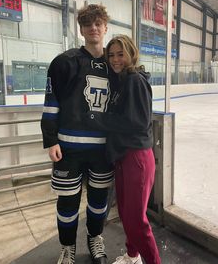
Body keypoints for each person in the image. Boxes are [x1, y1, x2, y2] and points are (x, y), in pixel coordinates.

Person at [41, 4, 114, 264]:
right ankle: (67, 247)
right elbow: (52, 103)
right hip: (69, 149)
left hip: (103, 150)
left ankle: (95, 238)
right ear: (81, 29)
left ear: (105, 27)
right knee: (68, 203)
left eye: (97, 23)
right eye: (87, 24)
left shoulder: (115, 64)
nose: (93, 28)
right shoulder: (65, 62)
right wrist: (50, 140)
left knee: (98, 202)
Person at [84, 35, 161, 264]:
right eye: (111, 55)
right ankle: (132, 255)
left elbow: (138, 122)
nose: (115, 60)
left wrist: (99, 119)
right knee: (127, 216)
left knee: (137, 220)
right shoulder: (121, 81)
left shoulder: (134, 80)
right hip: (123, 156)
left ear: (131, 53)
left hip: (136, 156)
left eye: (120, 54)